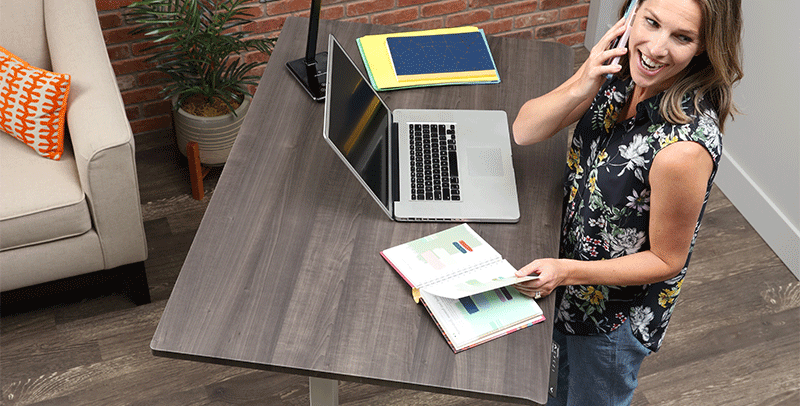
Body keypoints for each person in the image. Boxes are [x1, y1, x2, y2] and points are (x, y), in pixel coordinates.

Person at [511, 0, 743, 404]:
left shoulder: (683, 149)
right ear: (631, 12)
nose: (655, 48)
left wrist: (564, 272)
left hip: (611, 319)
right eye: (650, 22)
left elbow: (667, 260)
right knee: (551, 390)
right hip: (566, 281)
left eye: (682, 37)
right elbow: (525, 130)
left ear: (705, 45)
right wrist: (584, 79)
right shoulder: (618, 73)